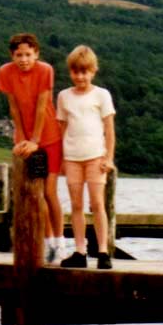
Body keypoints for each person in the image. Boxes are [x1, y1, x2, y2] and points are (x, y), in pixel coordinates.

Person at [0, 33, 66, 264]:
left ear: (36, 53)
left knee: (48, 192)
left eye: (28, 54)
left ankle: (60, 243)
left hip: (50, 137)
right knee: (34, 194)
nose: (24, 59)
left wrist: (35, 140)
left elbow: (42, 105)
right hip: (26, 139)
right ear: (12, 55)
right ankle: (47, 245)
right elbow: (14, 107)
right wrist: (22, 139)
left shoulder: (45, 70)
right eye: (19, 55)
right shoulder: (5, 72)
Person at [56, 45, 116, 269]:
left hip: (95, 157)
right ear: (70, 72)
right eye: (76, 71)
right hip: (72, 157)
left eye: (85, 71)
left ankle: (102, 251)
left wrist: (108, 157)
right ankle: (80, 251)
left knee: (97, 204)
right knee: (76, 204)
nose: (80, 76)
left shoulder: (102, 95)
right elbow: (61, 128)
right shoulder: (63, 96)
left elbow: (109, 130)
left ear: (93, 71)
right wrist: (61, 159)